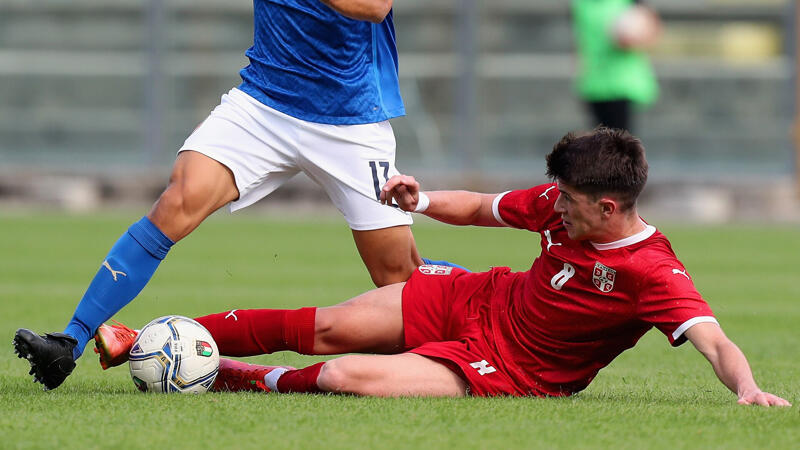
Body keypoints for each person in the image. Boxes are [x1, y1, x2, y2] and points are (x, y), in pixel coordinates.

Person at [87, 128, 790, 405]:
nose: (559, 210)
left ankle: (234, 379)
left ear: (611, 208)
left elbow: (714, 338)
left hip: (514, 372)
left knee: (341, 378)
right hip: (479, 300)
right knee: (327, 326)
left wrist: (748, 388)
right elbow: (482, 206)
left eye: (573, 204)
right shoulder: (557, 202)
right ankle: (144, 337)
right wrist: (419, 200)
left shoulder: (653, 272)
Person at [12, 0, 465, 391]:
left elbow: (374, 7)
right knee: (177, 201)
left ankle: (490, 321)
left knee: (397, 276)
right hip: (263, 104)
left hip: (351, 120)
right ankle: (68, 342)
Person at [572, 0, 660, 132]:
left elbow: (652, 29)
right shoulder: (582, 4)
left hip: (623, 82)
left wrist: (632, 36)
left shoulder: (630, 3)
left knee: (621, 141)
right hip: (595, 81)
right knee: (602, 142)